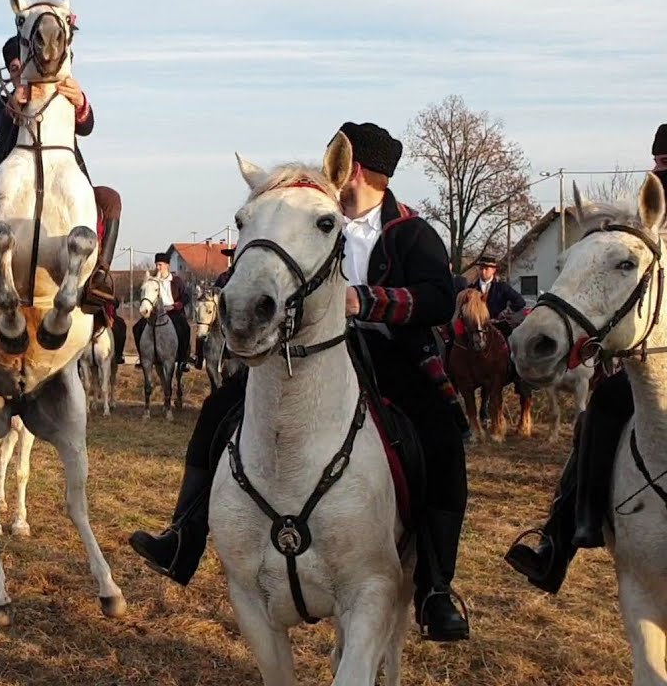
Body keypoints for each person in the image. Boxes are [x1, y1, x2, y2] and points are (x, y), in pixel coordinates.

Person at [130, 122, 471, 641]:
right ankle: (184, 536)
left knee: (441, 440)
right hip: (306, 352)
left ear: (351, 167)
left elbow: (439, 298)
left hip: (390, 355)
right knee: (218, 410)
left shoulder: (411, 231)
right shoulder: (304, 217)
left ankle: (435, 588)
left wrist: (368, 300)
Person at [504, 124, 667, 594]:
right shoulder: (645, 215)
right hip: (650, 354)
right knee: (602, 407)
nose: (660, 170)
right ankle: (566, 534)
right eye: (659, 162)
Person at [0, 35, 122, 313]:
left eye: (25, 65)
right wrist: (15, 105)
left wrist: (81, 101)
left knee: (110, 200)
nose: (21, 72)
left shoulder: (62, 99)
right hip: (14, 177)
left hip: (62, 177)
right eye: (14, 68)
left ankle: (99, 275)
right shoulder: (2, 102)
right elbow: (1, 124)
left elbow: (87, 127)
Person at [131, 253, 192, 372]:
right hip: (155, 313)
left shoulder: (176, 280)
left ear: (167, 265)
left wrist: (179, 304)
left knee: (185, 328)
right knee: (137, 328)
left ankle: (183, 360)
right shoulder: (151, 280)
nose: (158, 267)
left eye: (160, 265)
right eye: (157, 265)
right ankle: (142, 358)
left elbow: (186, 296)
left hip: (172, 311)